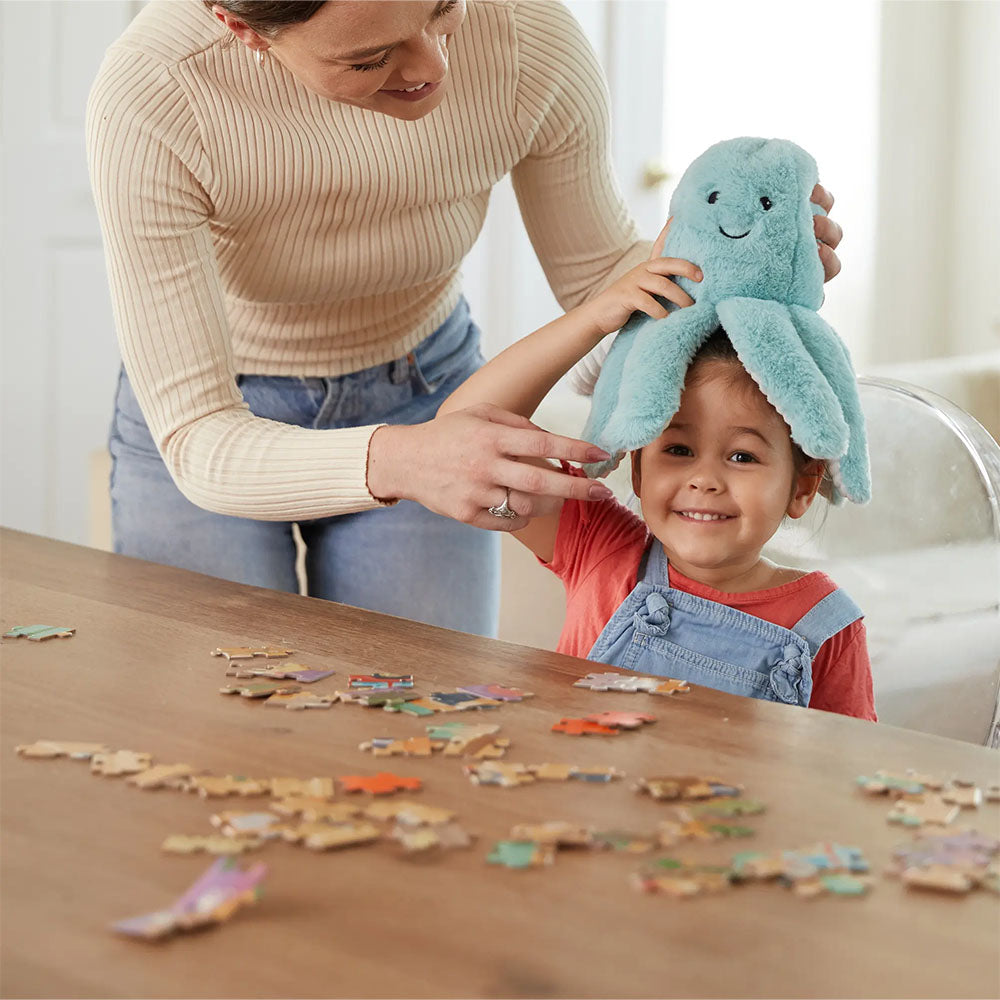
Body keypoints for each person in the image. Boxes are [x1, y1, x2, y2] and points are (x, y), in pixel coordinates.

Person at [86, 0, 843, 638]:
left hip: (431, 385)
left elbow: (599, 284)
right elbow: (199, 437)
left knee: (418, 728)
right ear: (239, 25)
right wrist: (413, 460)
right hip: (228, 419)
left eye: (444, 8)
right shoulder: (156, 94)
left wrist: (732, 268)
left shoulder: (526, 34)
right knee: (212, 737)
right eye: (369, 58)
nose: (431, 69)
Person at [438, 257, 875, 719]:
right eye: (679, 450)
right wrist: (592, 320)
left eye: (742, 457)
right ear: (640, 470)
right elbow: (460, 431)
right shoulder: (600, 547)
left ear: (802, 487)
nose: (704, 479)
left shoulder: (828, 625)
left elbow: (844, 773)